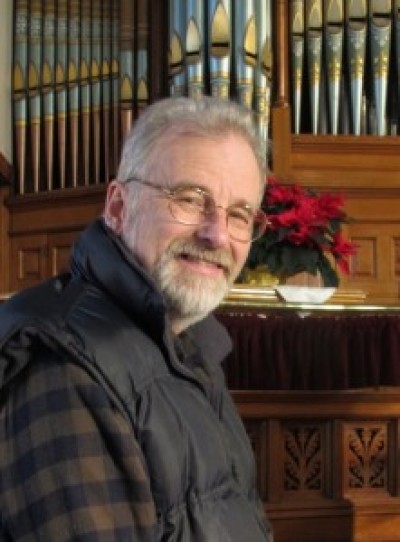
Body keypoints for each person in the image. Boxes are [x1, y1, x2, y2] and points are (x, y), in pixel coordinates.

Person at [0, 96, 273, 541]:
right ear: (118, 207)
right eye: (189, 199)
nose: (217, 233)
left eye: (239, 214)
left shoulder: (192, 348)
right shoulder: (63, 367)